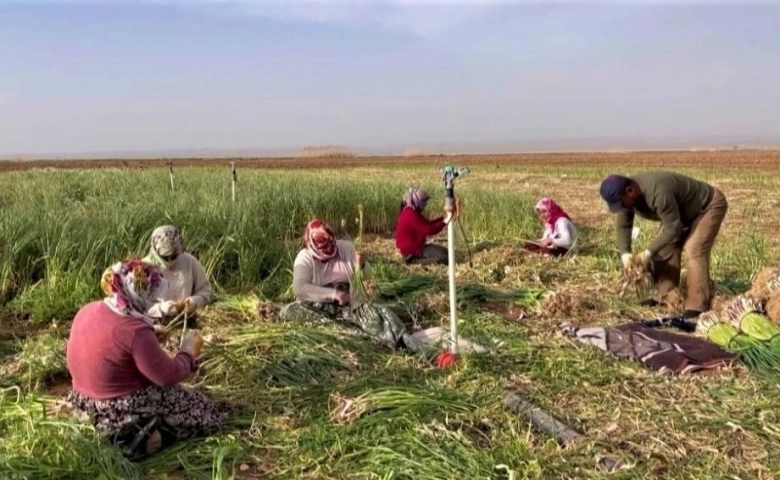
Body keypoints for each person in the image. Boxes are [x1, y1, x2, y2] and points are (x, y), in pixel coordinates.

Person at [66, 259, 225, 458]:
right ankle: (143, 439)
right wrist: (187, 353)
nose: (154, 304)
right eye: (152, 299)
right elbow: (167, 376)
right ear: (140, 296)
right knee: (204, 410)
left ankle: (130, 432)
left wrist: (149, 332)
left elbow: (114, 342)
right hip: (117, 407)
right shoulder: (135, 332)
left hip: (85, 401)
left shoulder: (88, 309)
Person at [279, 219, 424, 352]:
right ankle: (346, 332)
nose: (329, 249)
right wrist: (333, 294)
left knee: (380, 318)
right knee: (290, 311)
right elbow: (300, 288)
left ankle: (401, 340)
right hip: (320, 306)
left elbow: (367, 276)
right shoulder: (304, 258)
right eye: (324, 247)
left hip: (351, 305)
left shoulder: (346, 248)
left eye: (331, 244)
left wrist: (362, 265)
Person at [599, 171, 728, 318]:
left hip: (708, 207)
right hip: (682, 213)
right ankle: (665, 297)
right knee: (664, 248)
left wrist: (647, 253)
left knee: (694, 249)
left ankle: (697, 306)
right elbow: (624, 226)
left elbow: (673, 227)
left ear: (630, 191)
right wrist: (625, 254)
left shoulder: (658, 193)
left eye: (621, 203)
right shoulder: (627, 199)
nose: (621, 207)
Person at [143, 225, 212, 327]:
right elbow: (136, 306)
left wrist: (194, 301)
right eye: (165, 257)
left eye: (174, 256)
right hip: (154, 325)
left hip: (186, 321)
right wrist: (161, 308)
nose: (170, 261)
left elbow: (206, 291)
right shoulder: (143, 269)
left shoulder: (190, 262)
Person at [395, 187, 453, 265]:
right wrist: (445, 222)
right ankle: (413, 262)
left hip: (418, 247)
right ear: (417, 201)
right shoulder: (410, 214)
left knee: (448, 252)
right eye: (423, 202)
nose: (425, 204)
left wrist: (443, 219)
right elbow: (428, 230)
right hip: (412, 251)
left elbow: (428, 224)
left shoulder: (413, 212)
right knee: (445, 258)